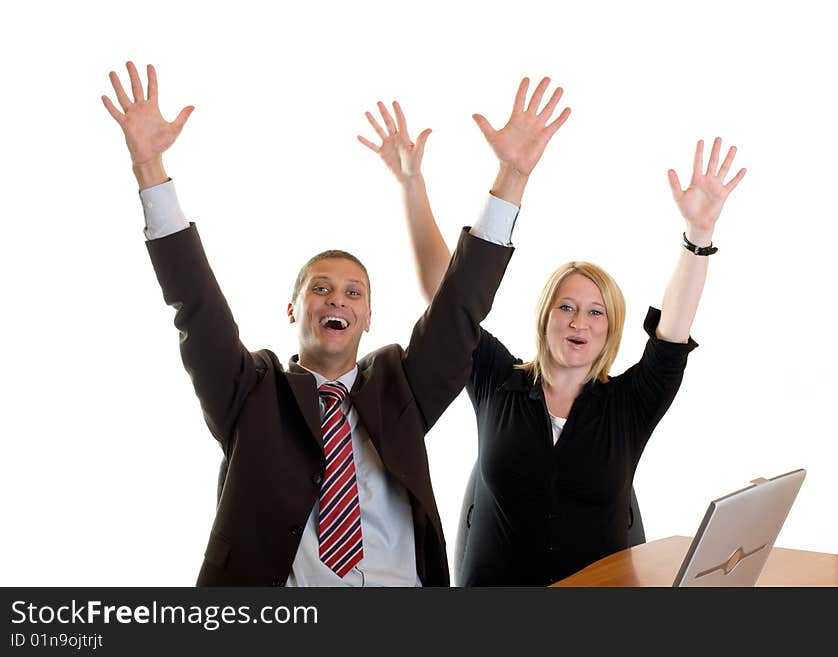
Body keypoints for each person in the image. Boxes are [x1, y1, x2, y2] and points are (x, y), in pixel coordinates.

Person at [101, 62, 569, 586]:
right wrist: (149, 166)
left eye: (353, 293)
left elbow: (460, 303)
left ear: (368, 317)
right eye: (320, 289)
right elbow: (196, 304)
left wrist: (513, 178)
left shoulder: (401, 386)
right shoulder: (252, 392)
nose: (336, 301)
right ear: (293, 309)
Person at [360, 87, 746, 585]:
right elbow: (448, 299)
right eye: (565, 307)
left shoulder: (630, 404)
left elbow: (672, 336)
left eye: (594, 313)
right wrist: (425, 183)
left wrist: (699, 235)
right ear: (545, 317)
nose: (578, 322)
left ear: (610, 331)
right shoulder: (498, 380)